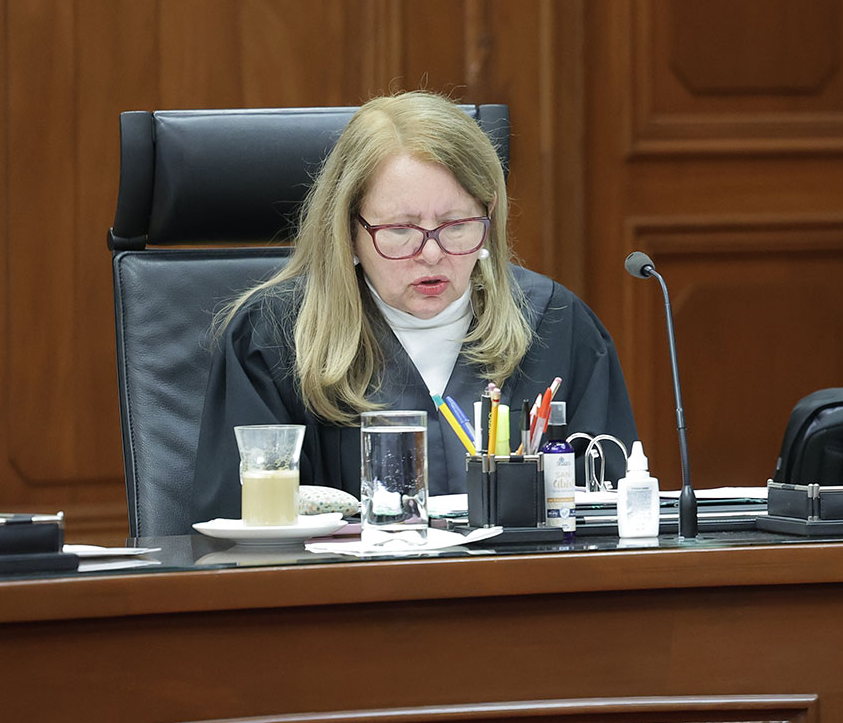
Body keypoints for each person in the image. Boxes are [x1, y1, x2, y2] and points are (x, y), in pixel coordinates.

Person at [193, 92, 639, 521]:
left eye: (456, 224)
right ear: (348, 229)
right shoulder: (273, 337)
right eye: (400, 229)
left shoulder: (554, 323)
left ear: (489, 215)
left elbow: (610, 513)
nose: (431, 254)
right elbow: (242, 531)